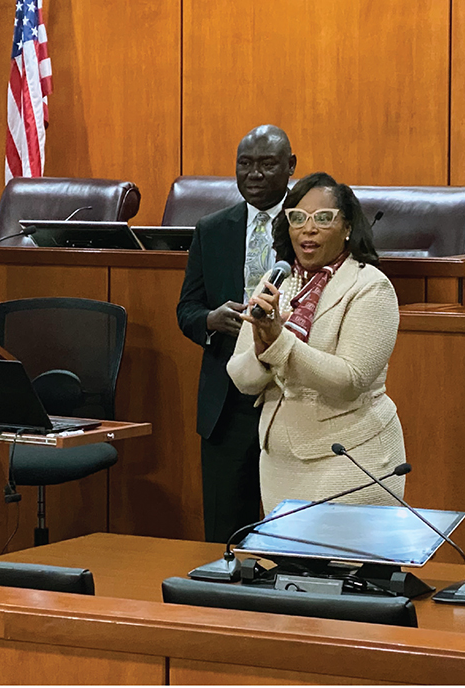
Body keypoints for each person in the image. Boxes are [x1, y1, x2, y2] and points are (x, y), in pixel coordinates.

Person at [227, 172, 406, 512]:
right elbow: (243, 378)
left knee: (343, 566)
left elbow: (349, 380)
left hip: (351, 459)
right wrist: (262, 350)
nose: (308, 229)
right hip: (279, 463)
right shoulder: (277, 280)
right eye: (298, 218)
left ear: (348, 227)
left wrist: (278, 342)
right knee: (287, 564)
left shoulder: (371, 287)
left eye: (323, 219)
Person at [176, 125, 297, 542]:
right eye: (245, 164)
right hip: (225, 403)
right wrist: (209, 320)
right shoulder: (212, 229)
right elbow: (186, 309)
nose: (255, 175)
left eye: (267, 165)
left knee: (293, 533)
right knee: (225, 538)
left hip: (288, 394)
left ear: (290, 167)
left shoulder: (309, 229)